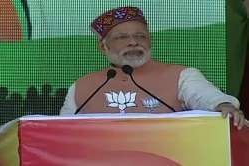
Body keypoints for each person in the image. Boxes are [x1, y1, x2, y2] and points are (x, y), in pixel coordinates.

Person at [60, 6, 246, 130]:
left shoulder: (181, 76)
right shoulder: (82, 86)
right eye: (122, 37)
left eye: (140, 36)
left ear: (150, 40)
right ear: (103, 47)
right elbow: (60, 132)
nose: (133, 42)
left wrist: (224, 105)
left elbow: (208, 97)